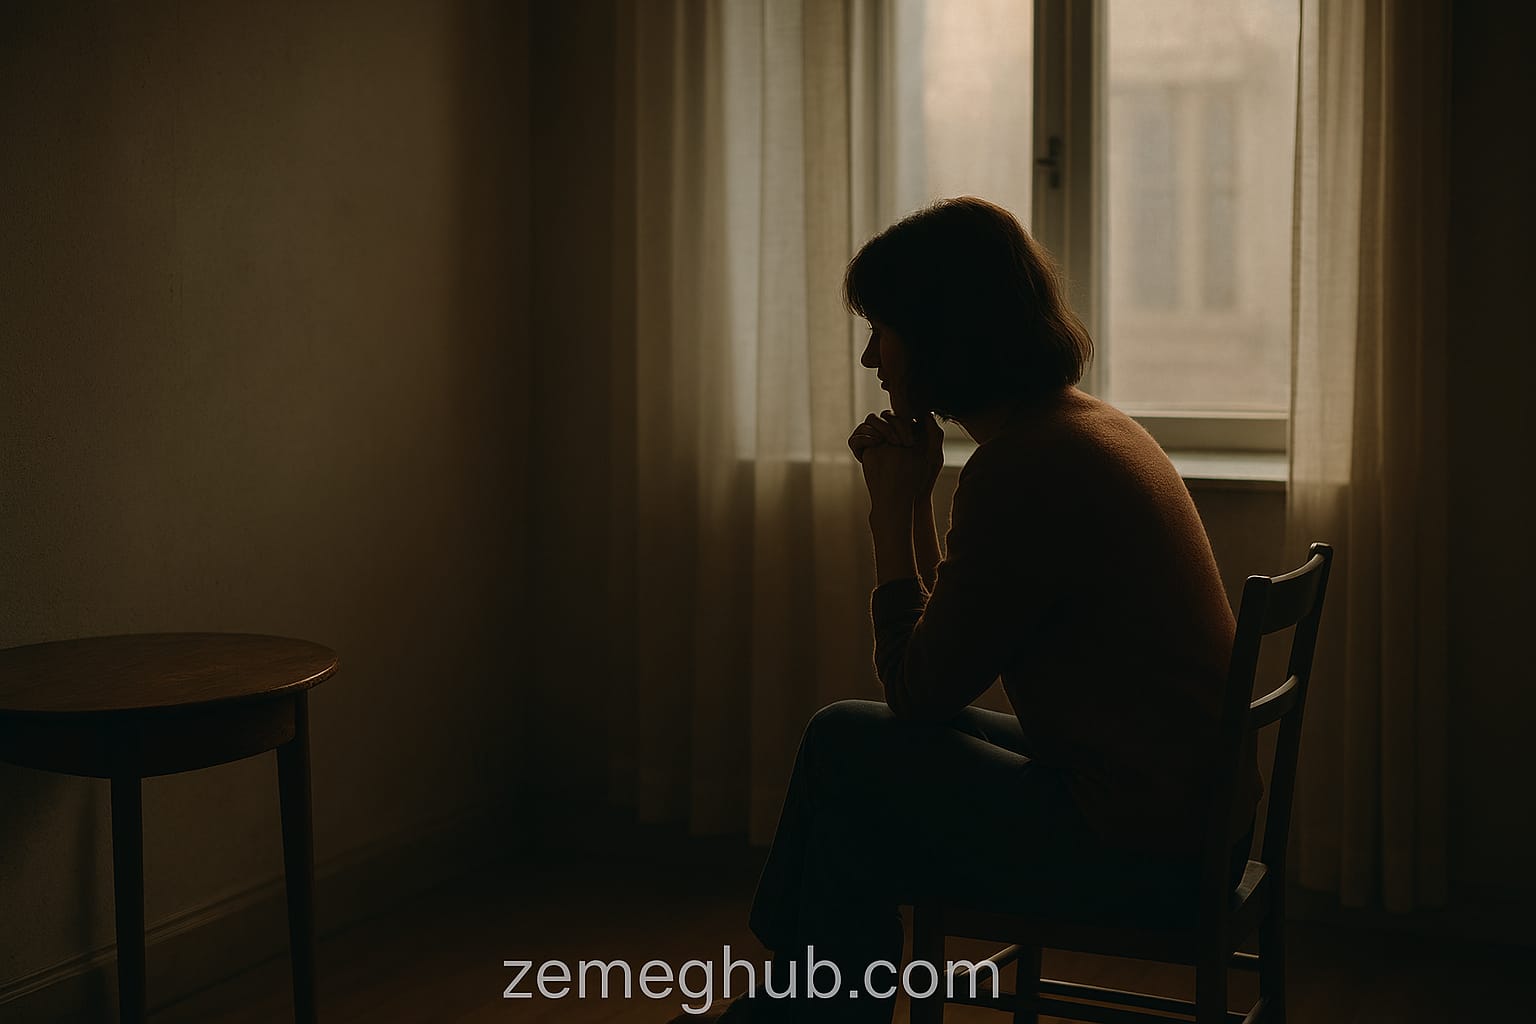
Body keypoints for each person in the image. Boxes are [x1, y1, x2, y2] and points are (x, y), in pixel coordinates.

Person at [667, 197, 1261, 1023]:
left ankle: (810, 1003)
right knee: (849, 742)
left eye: (883, 329)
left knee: (848, 746)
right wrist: (916, 502)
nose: (873, 356)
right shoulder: (1084, 427)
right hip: (1186, 806)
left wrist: (885, 518)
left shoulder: (1027, 470)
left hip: (1139, 842)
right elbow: (944, 654)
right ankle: (809, 999)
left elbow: (919, 689)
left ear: (943, 331)